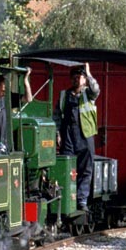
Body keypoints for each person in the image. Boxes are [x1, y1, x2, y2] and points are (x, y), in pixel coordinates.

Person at [53, 63, 100, 212]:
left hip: (85, 135)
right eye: (73, 77)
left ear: (84, 79)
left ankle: (82, 201)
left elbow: (96, 89)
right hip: (67, 136)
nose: (76, 80)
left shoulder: (89, 94)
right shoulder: (63, 95)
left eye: (79, 77)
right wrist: (57, 133)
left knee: (85, 169)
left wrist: (89, 73)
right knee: (67, 168)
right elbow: (56, 117)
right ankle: (67, 199)